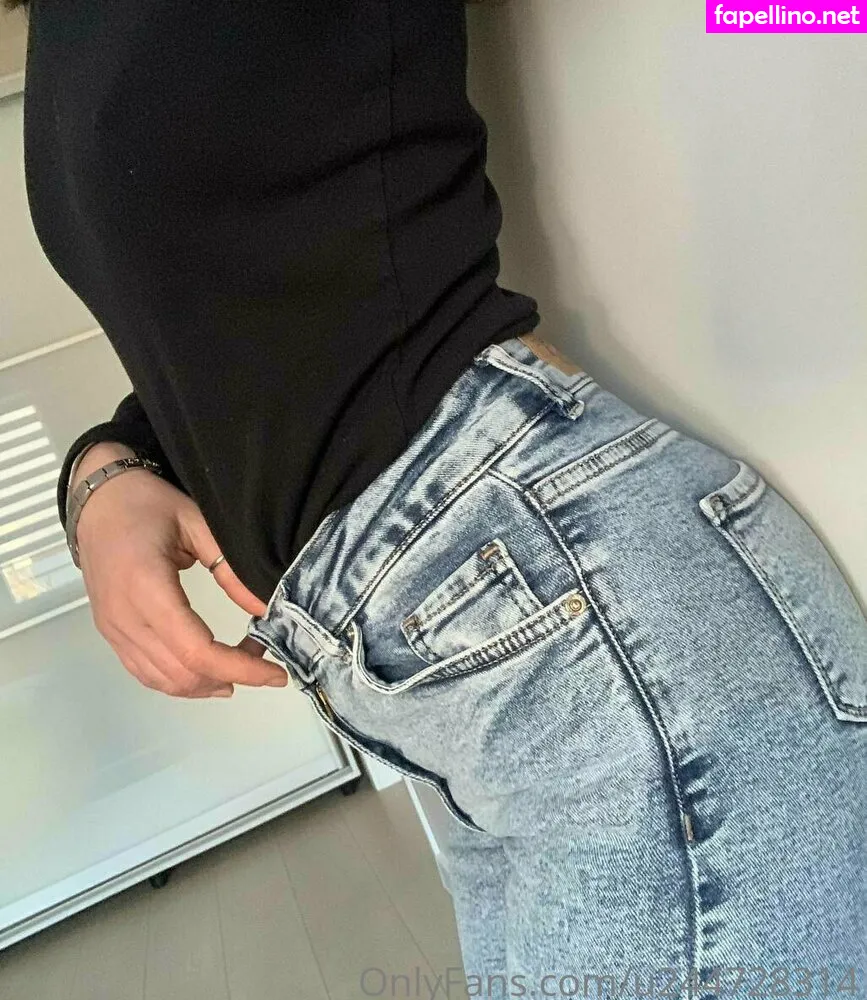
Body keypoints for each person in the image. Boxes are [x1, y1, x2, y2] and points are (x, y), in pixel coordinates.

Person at [19, 0, 866, 992]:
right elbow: (217, 333)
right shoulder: (67, 30)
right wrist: (105, 470)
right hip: (443, 683)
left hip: (571, 627)